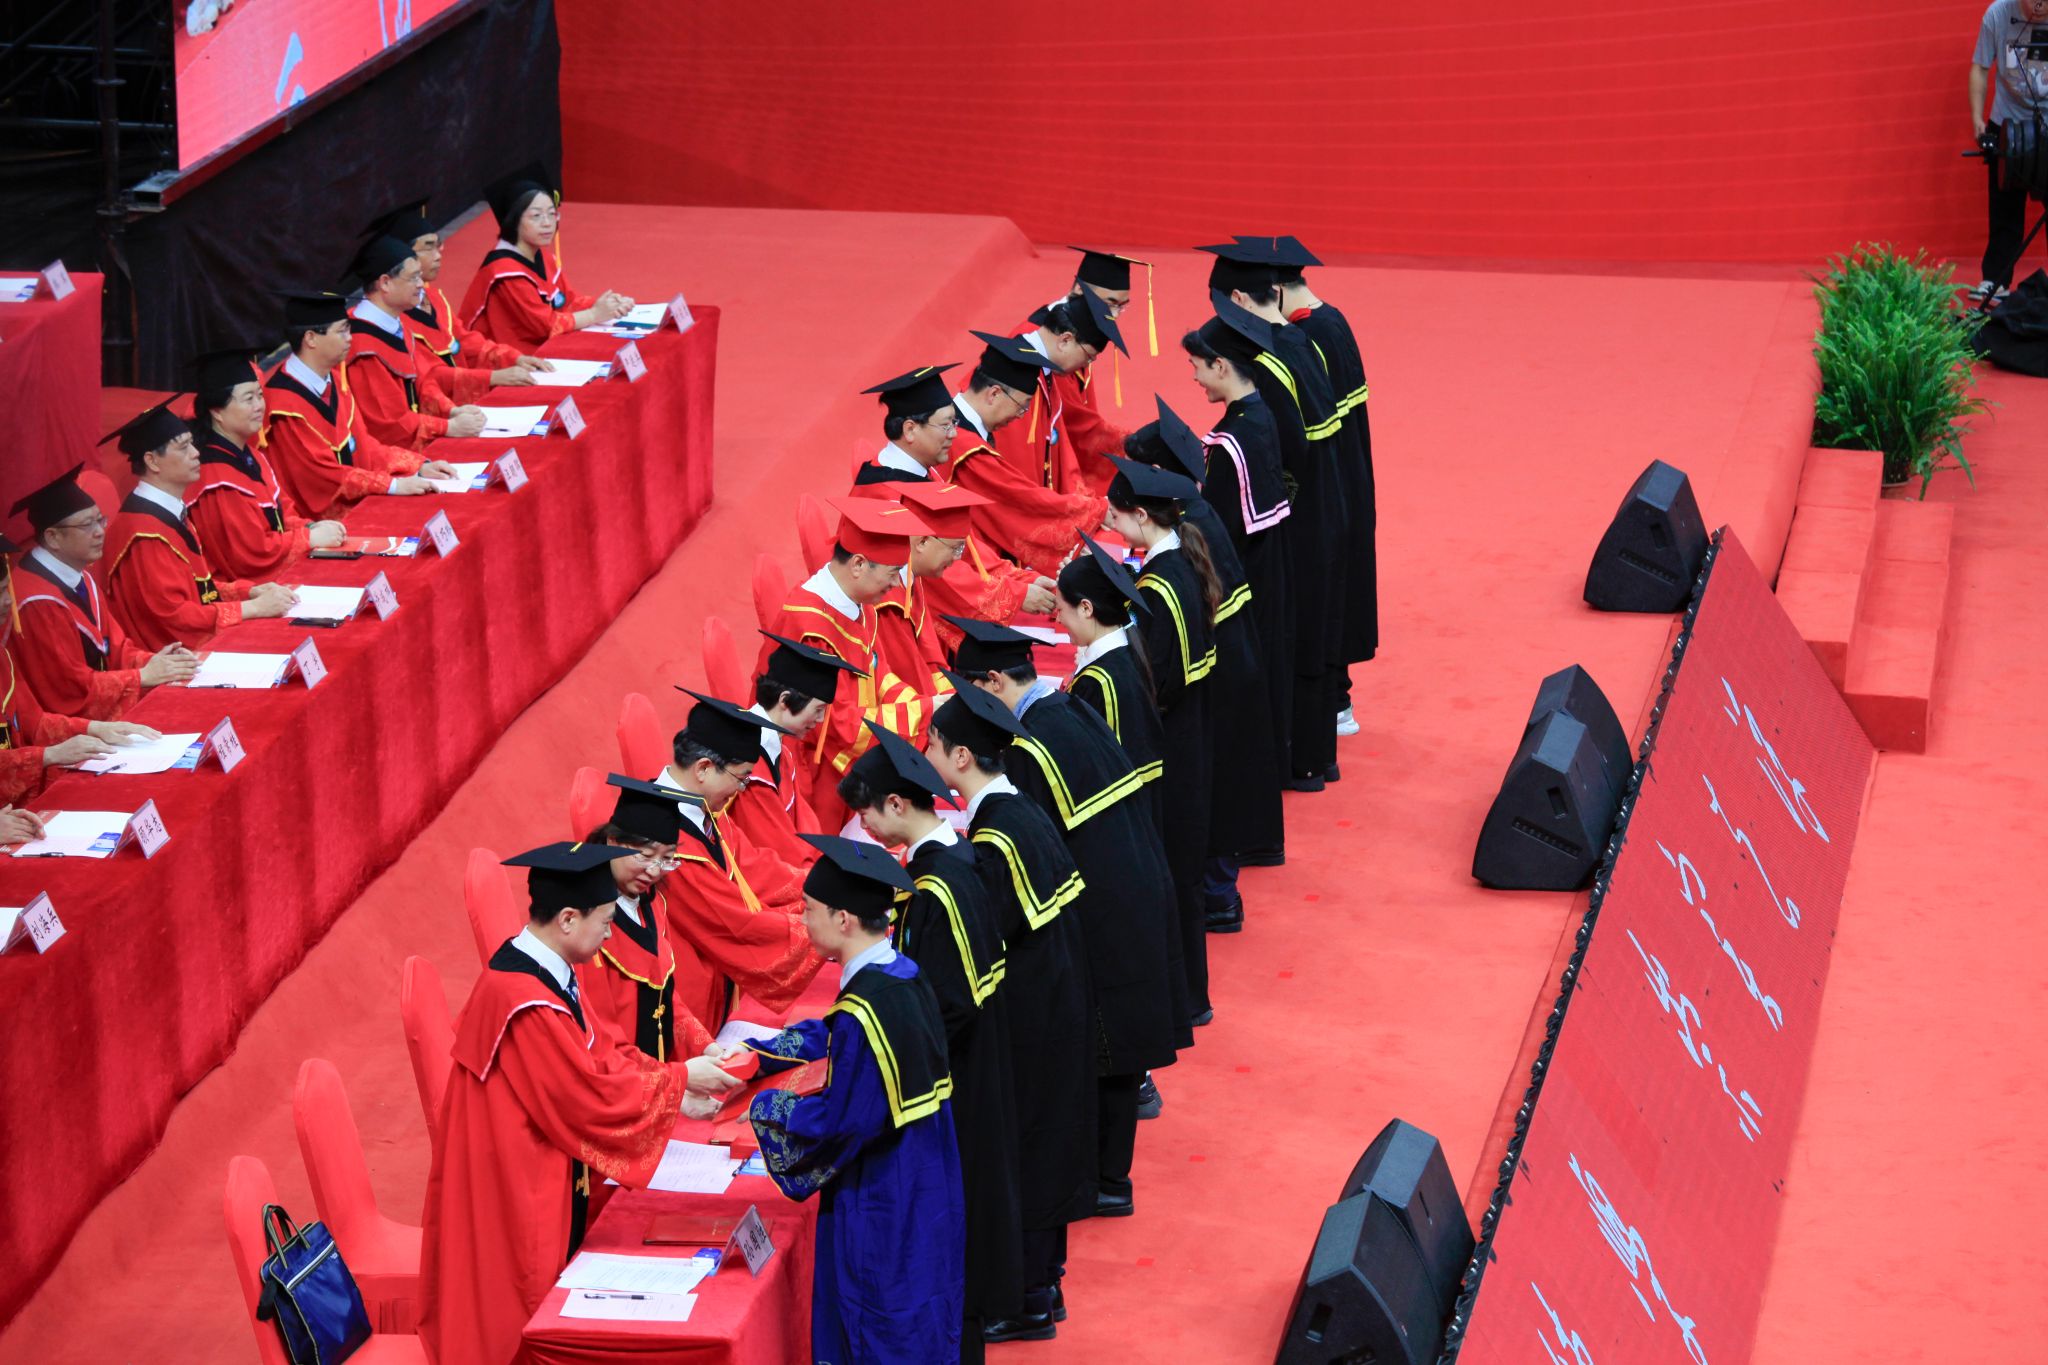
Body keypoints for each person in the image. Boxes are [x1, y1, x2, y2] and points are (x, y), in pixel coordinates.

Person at [419, 841, 745, 1365]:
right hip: (511, 1180)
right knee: (512, 1309)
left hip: (538, 1160)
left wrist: (677, 1090)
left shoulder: (547, 969)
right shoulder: (522, 999)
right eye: (607, 922)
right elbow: (586, 1095)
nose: (611, 935)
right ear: (569, 919)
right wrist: (679, 1080)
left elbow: (604, 1051)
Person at [945, 621, 1184, 1217]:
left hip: (1102, 906)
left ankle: (1103, 1181)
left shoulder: (1030, 748)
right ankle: (1107, 1176)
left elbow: (1027, 847)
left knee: (1100, 1043)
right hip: (1134, 881)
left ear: (993, 681)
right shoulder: (1063, 708)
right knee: (1116, 1042)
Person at [733, 835, 965, 1365]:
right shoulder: (901, 973)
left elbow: (844, 1121)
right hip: (929, 1175)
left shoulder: (865, 1007)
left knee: (877, 1320)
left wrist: (767, 1110)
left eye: (809, 910)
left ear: (843, 919)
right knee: (925, 1309)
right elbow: (838, 1032)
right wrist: (762, 1053)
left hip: (884, 1192)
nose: (803, 921)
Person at [837, 723, 1021, 1361]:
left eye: (865, 813)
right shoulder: (951, 860)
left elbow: (947, 1007)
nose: (863, 828)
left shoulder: (937, 888)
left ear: (895, 804)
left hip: (958, 1079)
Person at [926, 687, 1096, 1341]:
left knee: (1023, 1145)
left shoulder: (997, 836)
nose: (926, 753)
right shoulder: (1015, 810)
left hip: (1029, 1016)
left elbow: (986, 932)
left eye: (933, 744)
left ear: (961, 756)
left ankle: (1025, 1297)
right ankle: (1042, 1282)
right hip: (1056, 1002)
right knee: (1044, 1141)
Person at [1129, 400, 1288, 927]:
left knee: (1212, 783)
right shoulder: (1195, 511)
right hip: (1234, 659)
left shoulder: (1185, 531)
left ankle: (1218, 897)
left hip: (1221, 672)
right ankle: (1219, 890)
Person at [1196, 260, 1345, 791]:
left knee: (1296, 635)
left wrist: (1267, 503)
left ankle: (1301, 761)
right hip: (1325, 509)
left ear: (1238, 301)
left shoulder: (1271, 371)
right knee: (1313, 633)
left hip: (1299, 522)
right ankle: (1314, 756)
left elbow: (1292, 455)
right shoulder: (1300, 342)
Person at [1102, 454, 1219, 1027]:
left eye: (1115, 516)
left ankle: (1183, 1000)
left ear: (1141, 517)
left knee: (1169, 872)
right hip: (1192, 735)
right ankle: (1188, 996)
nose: (1110, 524)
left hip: (1170, 744)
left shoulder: (1161, 584)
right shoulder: (1180, 563)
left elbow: (1158, 680)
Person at [1256, 235, 1379, 737]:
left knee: (1324, 590)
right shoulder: (1332, 320)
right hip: (1348, 476)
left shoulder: (1310, 337)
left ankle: (1332, 702)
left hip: (1330, 482)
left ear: (1274, 291)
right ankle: (1334, 698)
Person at [758, 497, 937, 829]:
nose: (896, 584)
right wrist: (924, 713)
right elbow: (834, 724)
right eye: (893, 573)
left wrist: (919, 704)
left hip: (846, 750)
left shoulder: (858, 602)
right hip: (812, 762)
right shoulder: (811, 626)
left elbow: (876, 672)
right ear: (858, 564)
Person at [653, 691, 822, 1017]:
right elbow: (733, 922)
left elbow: (756, 867)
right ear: (703, 768)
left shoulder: (702, 808)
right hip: (687, 993)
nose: (742, 790)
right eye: (741, 778)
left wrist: (824, 888)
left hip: (717, 976)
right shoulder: (667, 846)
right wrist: (821, 926)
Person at [850, 363, 1055, 628]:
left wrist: (1018, 578)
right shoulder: (885, 498)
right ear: (910, 430)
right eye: (946, 425)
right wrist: (1013, 595)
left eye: (955, 423)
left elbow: (963, 546)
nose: (954, 434)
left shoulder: (924, 474)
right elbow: (938, 577)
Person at [98, 399, 297, 651]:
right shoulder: (144, 533)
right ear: (152, 461)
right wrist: (252, 608)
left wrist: (250, 592)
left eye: (192, 443)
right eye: (183, 448)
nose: (196, 453)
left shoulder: (170, 511)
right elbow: (175, 617)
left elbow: (199, 591)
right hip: (174, 657)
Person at [8, 464, 196, 718]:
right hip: (72, 726)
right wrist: (141, 676)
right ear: (52, 537)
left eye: (100, 520)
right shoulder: (35, 600)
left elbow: (116, 648)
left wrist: (153, 662)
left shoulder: (79, 575)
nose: (100, 532)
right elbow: (67, 689)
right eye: (87, 525)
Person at [262, 291, 455, 518]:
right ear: (311, 339)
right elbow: (322, 478)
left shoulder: (335, 380)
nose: (350, 338)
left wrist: (418, 465)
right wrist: (392, 485)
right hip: (323, 524)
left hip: (359, 500)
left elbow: (364, 446)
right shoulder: (283, 405)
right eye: (342, 331)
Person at [0, 535, 158, 805]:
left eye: (6, 590)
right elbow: (67, 686)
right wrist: (48, 755)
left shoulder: (2, 657)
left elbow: (34, 723)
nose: (7, 601)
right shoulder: (38, 601)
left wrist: (94, 728)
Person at [952, 323, 1109, 577]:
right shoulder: (961, 446)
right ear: (994, 394)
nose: (1020, 416)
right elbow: (1016, 500)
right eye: (1022, 406)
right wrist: (1096, 511)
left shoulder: (955, 428)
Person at [575, 774, 711, 1062]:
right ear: (613, 841)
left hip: (657, 1068)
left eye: (667, 859)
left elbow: (667, 997)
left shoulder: (654, 903)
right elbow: (601, 1038)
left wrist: (708, 1048)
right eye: (645, 856)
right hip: (620, 1071)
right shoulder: (588, 922)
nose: (654, 871)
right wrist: (678, 1080)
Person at [187, 346, 349, 578]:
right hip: (249, 586)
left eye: (260, 395)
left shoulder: (250, 455)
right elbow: (249, 555)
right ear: (217, 412)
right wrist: (308, 538)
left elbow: (282, 515)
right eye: (248, 399)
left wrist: (309, 527)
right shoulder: (215, 478)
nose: (259, 406)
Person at [371, 200, 555, 397]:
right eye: (428, 248)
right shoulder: (393, 318)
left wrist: (514, 358)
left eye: (438, 246)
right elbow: (429, 377)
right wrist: (492, 377)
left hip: (460, 399)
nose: (438, 255)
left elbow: (466, 342)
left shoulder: (434, 298)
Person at [1015, 247, 1154, 495]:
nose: (1114, 315)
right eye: (1109, 303)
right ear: (1079, 289)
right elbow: (1075, 422)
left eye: (1122, 306)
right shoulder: (1041, 339)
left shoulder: (1080, 326)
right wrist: (1135, 445)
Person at [459, 162, 635, 350]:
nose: (547, 223)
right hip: (503, 356)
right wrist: (594, 314)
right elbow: (545, 325)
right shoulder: (504, 272)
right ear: (514, 220)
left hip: (532, 348)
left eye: (552, 214)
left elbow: (567, 301)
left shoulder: (543, 257)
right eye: (536, 216)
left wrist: (606, 305)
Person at [727, 630, 864, 867]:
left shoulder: (782, 752)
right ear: (784, 700)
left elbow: (805, 825)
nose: (820, 720)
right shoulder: (749, 763)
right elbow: (774, 844)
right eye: (818, 710)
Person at [985, 288, 1129, 510]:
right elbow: (1017, 463)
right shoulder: (1016, 375)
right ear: (1065, 340)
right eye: (1088, 357)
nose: (1085, 366)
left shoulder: (1043, 369)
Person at [342, 234, 488, 449]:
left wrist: (451, 411)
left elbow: (424, 382)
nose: (421, 284)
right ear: (385, 283)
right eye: (413, 278)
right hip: (392, 454)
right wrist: (448, 427)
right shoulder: (361, 346)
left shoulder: (395, 324)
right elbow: (389, 425)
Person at [1971, 0, 2048, 303]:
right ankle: (1996, 281)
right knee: (2005, 209)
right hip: (2007, 124)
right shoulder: (1998, 14)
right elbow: (1980, 67)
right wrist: (1977, 119)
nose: (2039, 6)